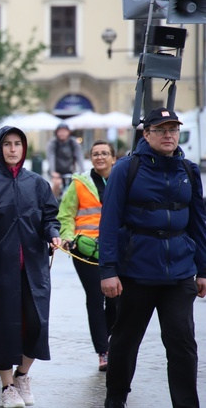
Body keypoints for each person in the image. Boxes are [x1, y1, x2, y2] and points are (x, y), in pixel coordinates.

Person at [99, 108, 206, 408]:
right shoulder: (125, 169)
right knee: (124, 342)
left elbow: (198, 221)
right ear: (146, 134)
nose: (169, 134)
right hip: (136, 272)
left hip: (180, 273)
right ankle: (116, 400)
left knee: (183, 345)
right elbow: (108, 222)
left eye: (173, 129)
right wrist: (108, 270)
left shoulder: (188, 170)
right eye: (161, 129)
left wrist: (203, 269)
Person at [0, 126, 61, 408]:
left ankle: (23, 375)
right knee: (2, 327)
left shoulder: (37, 183)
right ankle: (6, 388)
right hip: (0, 268)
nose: (13, 149)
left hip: (34, 268)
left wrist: (52, 233)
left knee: (36, 325)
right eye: (7, 144)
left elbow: (50, 216)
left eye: (18, 144)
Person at [57, 140, 117, 372]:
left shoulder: (123, 180)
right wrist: (67, 236)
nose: (100, 157)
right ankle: (103, 352)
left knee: (116, 300)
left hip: (115, 249)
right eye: (95, 154)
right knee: (95, 298)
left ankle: (109, 339)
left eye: (104, 153)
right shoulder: (79, 183)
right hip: (85, 250)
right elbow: (66, 214)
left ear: (113, 158)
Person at [46, 123, 84, 189]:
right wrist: (53, 171)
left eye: (64, 131)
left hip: (69, 171)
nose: (62, 133)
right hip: (56, 171)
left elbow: (79, 157)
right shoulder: (53, 143)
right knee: (57, 184)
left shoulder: (73, 142)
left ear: (69, 132)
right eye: (60, 131)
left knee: (77, 186)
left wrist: (82, 172)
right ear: (56, 132)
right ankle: (54, 199)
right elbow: (51, 157)